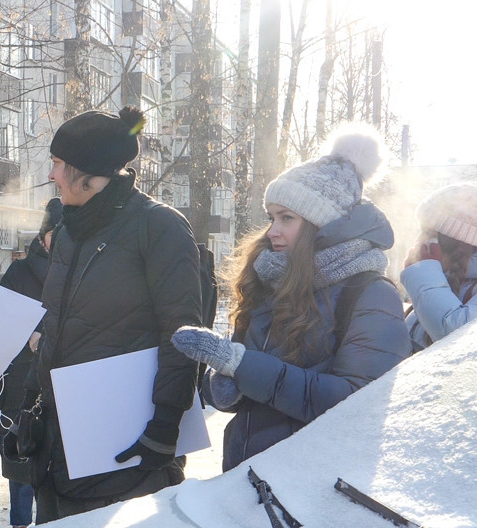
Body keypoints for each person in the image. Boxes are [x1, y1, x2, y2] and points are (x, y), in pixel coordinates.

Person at [172, 125, 411, 472]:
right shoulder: (270, 280)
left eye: (287, 218)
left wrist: (241, 364)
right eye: (271, 217)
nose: (272, 231)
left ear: (324, 225)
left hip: (310, 491)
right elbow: (259, 388)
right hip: (247, 480)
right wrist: (225, 387)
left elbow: (357, 404)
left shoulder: (371, 294)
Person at [28, 106, 201, 524]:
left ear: (85, 172)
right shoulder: (70, 230)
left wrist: (163, 429)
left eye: (56, 164)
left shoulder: (158, 226)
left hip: (131, 456)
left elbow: (183, 335)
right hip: (62, 447)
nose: (50, 175)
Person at [0, 198, 60, 528]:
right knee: (21, 458)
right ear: (42, 236)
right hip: (21, 380)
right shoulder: (19, 272)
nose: (60, 239)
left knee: (59, 464)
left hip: (64, 382)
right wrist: (29, 336)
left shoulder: (85, 269)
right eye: (54, 232)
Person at [401, 184, 477, 351]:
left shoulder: (430, 281)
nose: (420, 242)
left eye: (429, 235)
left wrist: (423, 274)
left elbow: (459, 343)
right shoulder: (444, 282)